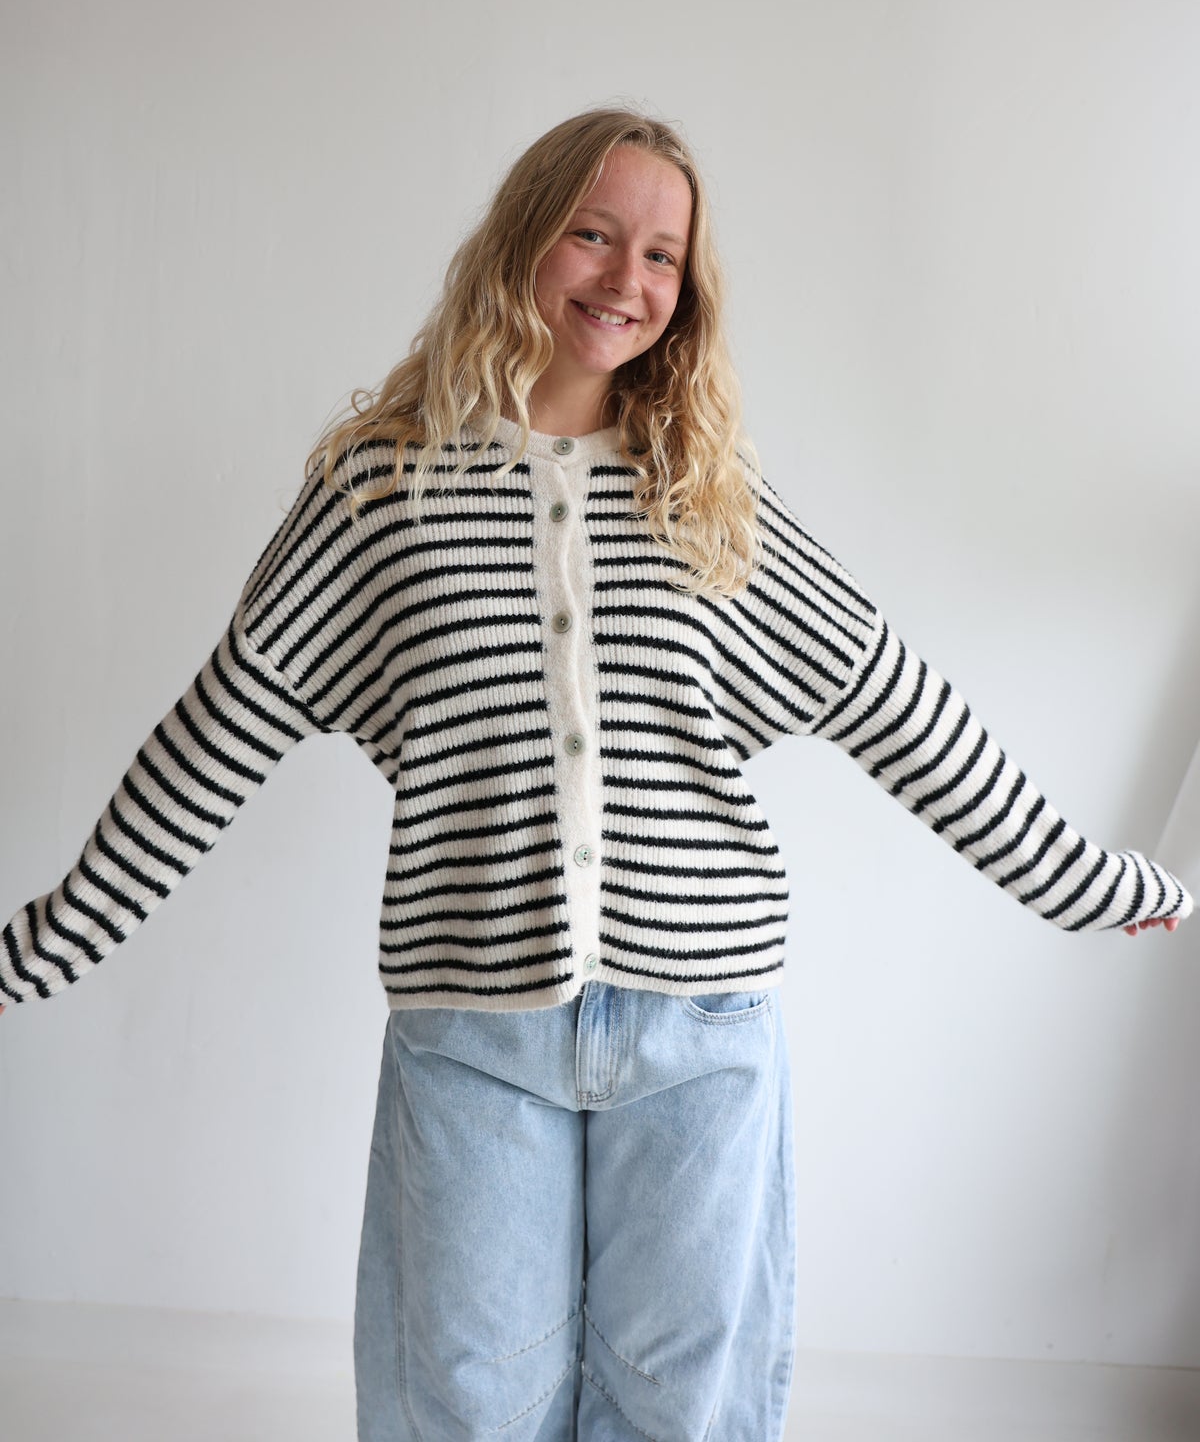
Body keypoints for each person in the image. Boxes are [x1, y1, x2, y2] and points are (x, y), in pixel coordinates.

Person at [1, 106, 1190, 1441]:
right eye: (593, 233)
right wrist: (39, 946)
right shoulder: (380, 490)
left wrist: (1091, 883)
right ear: (523, 238)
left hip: (701, 1029)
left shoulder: (708, 494)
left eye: (663, 255)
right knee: (468, 1405)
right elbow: (215, 736)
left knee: (680, 1413)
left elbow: (900, 709)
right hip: (475, 1029)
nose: (628, 279)